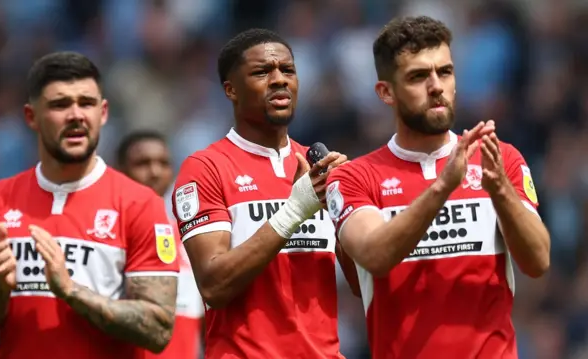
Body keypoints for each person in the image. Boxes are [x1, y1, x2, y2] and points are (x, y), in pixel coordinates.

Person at [326, 16, 551, 359]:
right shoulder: (355, 177)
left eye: (445, 72)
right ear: (386, 92)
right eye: (418, 76)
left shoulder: (500, 158)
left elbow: (537, 261)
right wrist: (442, 188)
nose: (436, 86)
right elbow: (375, 255)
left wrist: (501, 191)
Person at [0, 51, 179, 359]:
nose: (76, 115)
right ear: (31, 117)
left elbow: (158, 330)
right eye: (60, 104)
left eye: (86, 103)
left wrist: (71, 290)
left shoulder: (140, 204)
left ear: (103, 113)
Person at [172, 28, 359, 359]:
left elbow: (360, 286)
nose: (279, 80)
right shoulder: (206, 168)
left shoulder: (319, 170)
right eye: (262, 72)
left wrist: (343, 214)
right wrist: (294, 210)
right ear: (231, 90)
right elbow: (214, 286)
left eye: (287, 70)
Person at [117, 130, 204, 359]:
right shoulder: (109, 237)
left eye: (163, 163)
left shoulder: (189, 239)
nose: (155, 172)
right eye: (142, 163)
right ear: (119, 171)